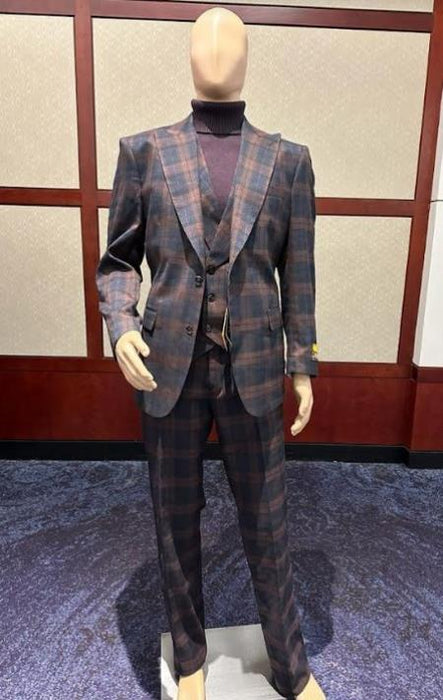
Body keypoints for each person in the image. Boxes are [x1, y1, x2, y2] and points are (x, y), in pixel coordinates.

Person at [96, 8, 324, 700]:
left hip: (253, 368)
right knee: (174, 521)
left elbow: (299, 273)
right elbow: (118, 261)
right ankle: (189, 659)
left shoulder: (288, 161)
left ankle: (291, 667)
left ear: (249, 57)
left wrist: (302, 363)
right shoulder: (144, 152)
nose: (218, 52)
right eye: (204, 39)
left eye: (233, 41)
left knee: (268, 523)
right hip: (167, 366)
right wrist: (120, 324)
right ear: (188, 54)